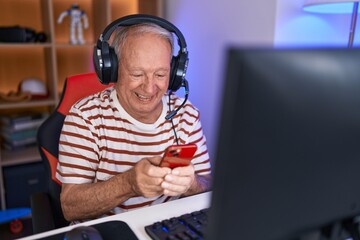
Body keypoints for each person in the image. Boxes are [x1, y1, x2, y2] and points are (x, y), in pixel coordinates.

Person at [56, 16, 212, 223]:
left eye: (160, 75)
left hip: (167, 229)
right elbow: (70, 207)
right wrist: (129, 184)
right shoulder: (85, 118)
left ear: (175, 72)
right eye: (137, 74)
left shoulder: (186, 114)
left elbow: (208, 184)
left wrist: (192, 183)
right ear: (112, 69)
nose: (149, 88)